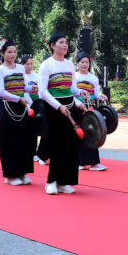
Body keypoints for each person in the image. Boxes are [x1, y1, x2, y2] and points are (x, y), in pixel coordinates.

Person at [38, 31, 88, 195]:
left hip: (70, 107)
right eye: (61, 42)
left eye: (66, 42)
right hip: (53, 109)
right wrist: (58, 106)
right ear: (52, 46)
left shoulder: (68, 65)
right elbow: (43, 92)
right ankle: (51, 182)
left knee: (71, 145)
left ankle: (64, 181)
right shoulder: (47, 65)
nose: (65, 45)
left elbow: (71, 88)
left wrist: (80, 94)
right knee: (57, 145)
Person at [0, 38, 34, 186]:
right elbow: (1, 91)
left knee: (23, 141)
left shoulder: (20, 68)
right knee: (9, 141)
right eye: (9, 52)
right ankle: (10, 175)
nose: (13, 54)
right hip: (9, 108)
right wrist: (18, 99)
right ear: (2, 53)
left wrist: (31, 89)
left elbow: (22, 87)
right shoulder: (0, 70)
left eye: (14, 52)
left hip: (21, 108)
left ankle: (22, 172)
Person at [74, 51, 108, 171]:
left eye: (87, 62)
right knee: (79, 135)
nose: (84, 64)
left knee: (93, 133)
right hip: (77, 109)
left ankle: (94, 163)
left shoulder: (93, 78)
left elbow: (96, 93)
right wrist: (79, 104)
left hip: (90, 109)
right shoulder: (74, 76)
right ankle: (80, 162)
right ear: (77, 63)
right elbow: (71, 93)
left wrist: (101, 96)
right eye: (82, 62)